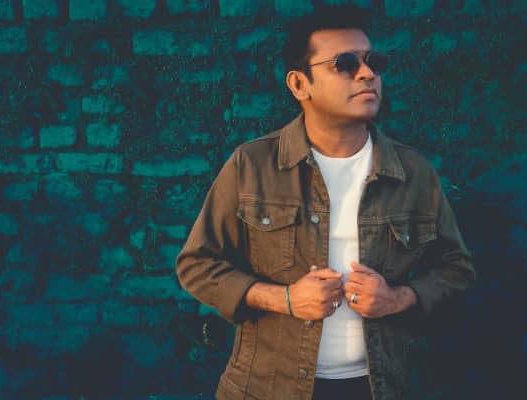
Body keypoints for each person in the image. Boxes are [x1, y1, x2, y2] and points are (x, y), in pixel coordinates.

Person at [176, 4, 475, 400]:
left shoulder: (414, 172)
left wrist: (397, 299)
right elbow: (197, 265)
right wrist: (284, 299)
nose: (366, 74)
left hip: (384, 387)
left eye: (373, 62)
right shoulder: (252, 165)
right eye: (345, 64)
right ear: (300, 84)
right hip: (268, 389)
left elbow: (456, 268)